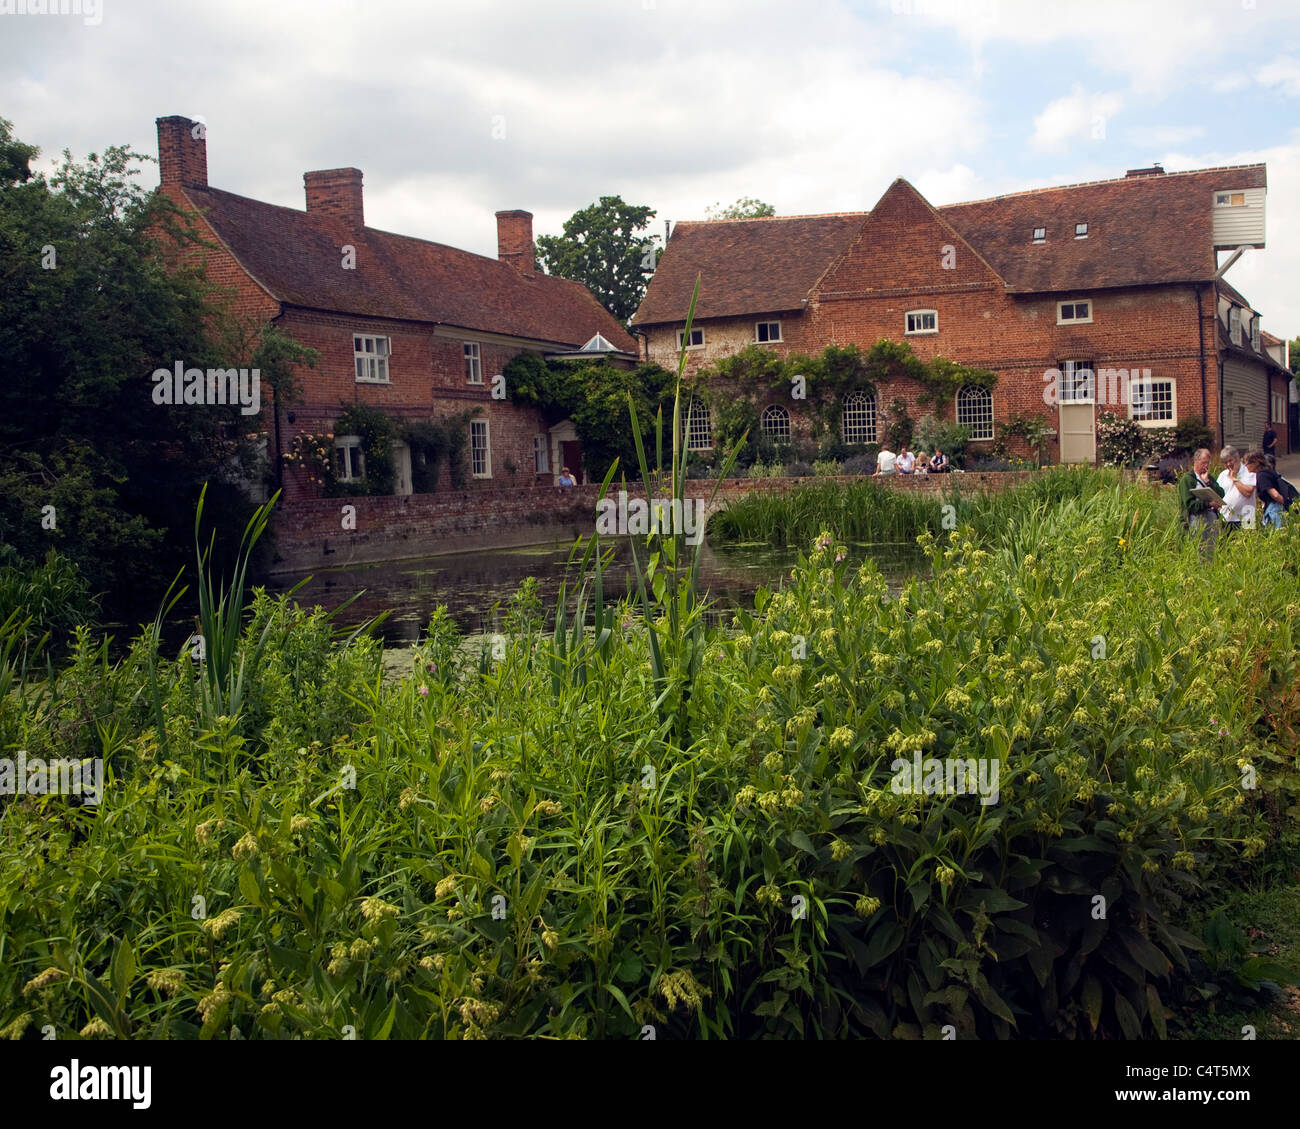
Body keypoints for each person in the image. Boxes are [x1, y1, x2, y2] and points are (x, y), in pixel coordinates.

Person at [1177, 447, 1224, 547]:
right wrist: (1208, 503)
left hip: (1211, 519)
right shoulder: (1188, 479)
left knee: (1212, 548)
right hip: (1196, 519)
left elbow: (1221, 493)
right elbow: (1189, 504)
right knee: (1198, 548)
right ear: (1196, 461)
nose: (1206, 466)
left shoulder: (1208, 477)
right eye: (1203, 463)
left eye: (1208, 463)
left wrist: (1208, 482)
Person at [1216, 445, 1255, 530]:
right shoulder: (1223, 475)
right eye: (1225, 462)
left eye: (1230, 460)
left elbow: (1248, 493)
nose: (1228, 464)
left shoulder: (1249, 472)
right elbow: (1217, 494)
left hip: (1246, 518)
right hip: (1227, 518)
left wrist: (1234, 478)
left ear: (1237, 458)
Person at [1245, 450, 1287, 528]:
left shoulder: (1262, 475)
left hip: (1274, 510)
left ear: (1256, 463)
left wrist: (1287, 505)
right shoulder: (1268, 472)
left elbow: (1275, 495)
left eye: (1247, 463)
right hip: (1274, 508)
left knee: (1277, 536)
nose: (1246, 466)